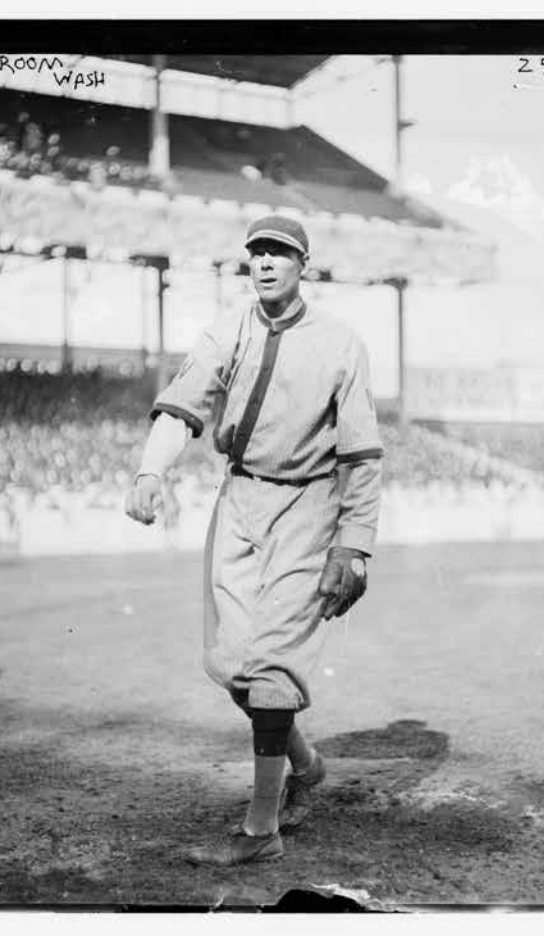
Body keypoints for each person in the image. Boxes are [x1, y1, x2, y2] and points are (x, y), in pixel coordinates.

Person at [125, 215, 384, 866]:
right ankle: (306, 765)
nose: (266, 263)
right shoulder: (228, 327)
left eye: (281, 253)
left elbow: (360, 455)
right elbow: (185, 402)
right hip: (240, 499)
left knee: (272, 668)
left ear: (304, 265)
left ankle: (260, 829)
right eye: (258, 253)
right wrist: (151, 470)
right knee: (232, 665)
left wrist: (352, 544)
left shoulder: (341, 343)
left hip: (309, 503)